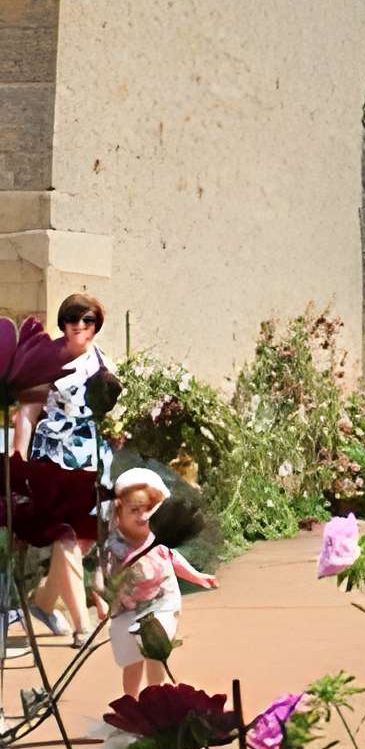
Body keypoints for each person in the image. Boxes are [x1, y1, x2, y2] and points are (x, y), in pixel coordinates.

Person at [13, 293, 117, 647]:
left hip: (88, 456)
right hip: (53, 458)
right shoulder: (46, 360)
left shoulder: (102, 360)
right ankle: (81, 625)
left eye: (88, 320)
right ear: (63, 323)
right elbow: (26, 414)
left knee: (82, 541)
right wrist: (19, 462)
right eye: (73, 319)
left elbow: (105, 409)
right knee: (66, 536)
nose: (80, 326)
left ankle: (43, 602)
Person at [103, 467, 217, 697]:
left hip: (162, 603)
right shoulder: (115, 546)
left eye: (148, 510)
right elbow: (103, 574)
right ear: (117, 514)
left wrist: (197, 576)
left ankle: (156, 697)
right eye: (134, 510)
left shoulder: (158, 539)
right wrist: (101, 599)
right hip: (127, 610)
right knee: (132, 662)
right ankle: (131, 702)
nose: (142, 516)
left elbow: (173, 559)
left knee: (156, 652)